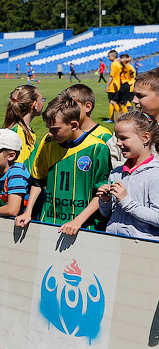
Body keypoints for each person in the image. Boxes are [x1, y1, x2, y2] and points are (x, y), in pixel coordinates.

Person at [15, 95, 111, 234]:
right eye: (48, 128)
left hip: (84, 226)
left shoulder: (97, 148)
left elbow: (100, 193)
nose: (50, 133)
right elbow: (37, 182)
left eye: (55, 129)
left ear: (73, 125)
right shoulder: (48, 142)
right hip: (49, 221)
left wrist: (78, 220)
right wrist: (28, 212)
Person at [97, 111, 159, 240]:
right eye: (117, 138)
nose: (118, 143)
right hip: (113, 241)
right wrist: (105, 200)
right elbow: (107, 213)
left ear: (145, 138)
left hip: (141, 247)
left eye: (123, 138)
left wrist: (126, 201)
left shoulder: (155, 174)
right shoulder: (116, 173)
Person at [64, 83, 123, 168]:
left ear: (88, 107)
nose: (66, 109)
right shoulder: (64, 134)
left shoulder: (104, 136)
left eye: (72, 105)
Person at [3, 85, 44, 172]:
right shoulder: (19, 134)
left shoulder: (22, 130)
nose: (43, 102)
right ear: (34, 104)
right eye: (42, 99)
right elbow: (18, 169)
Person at [106, 49, 123, 123]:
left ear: (113, 56)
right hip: (120, 85)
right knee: (117, 102)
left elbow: (111, 76)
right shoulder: (120, 64)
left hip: (114, 85)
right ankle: (119, 117)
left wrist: (108, 85)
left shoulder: (113, 64)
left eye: (109, 56)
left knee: (112, 102)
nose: (108, 58)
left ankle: (112, 118)